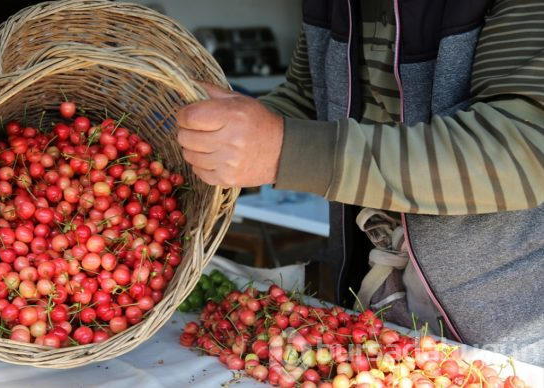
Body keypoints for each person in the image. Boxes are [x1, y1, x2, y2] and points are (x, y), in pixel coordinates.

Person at [176, 0, 544, 366]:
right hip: (374, 316)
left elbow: (519, 148)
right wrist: (212, 141)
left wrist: (283, 148)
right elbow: (310, 98)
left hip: (504, 337)